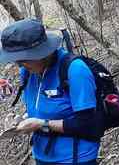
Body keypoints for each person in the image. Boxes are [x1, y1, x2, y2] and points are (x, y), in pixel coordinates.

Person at [0, 19, 99, 165]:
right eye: (16, 60)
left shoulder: (75, 70)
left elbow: (87, 123)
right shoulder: (27, 72)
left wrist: (41, 124)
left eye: (23, 59)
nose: (20, 64)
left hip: (75, 157)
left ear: (42, 53)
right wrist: (21, 120)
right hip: (42, 155)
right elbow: (42, 107)